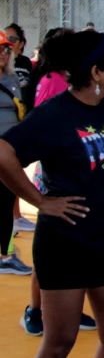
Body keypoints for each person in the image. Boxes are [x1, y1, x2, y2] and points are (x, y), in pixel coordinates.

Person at [0, 31, 104, 358]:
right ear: (95, 72)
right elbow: (3, 152)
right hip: (65, 244)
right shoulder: (56, 114)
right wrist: (41, 201)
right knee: (60, 341)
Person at [0, 30, 33, 275]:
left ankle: (6, 254)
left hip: (10, 152)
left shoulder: (12, 78)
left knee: (6, 202)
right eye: (0, 49)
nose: (3, 52)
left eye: (6, 49)